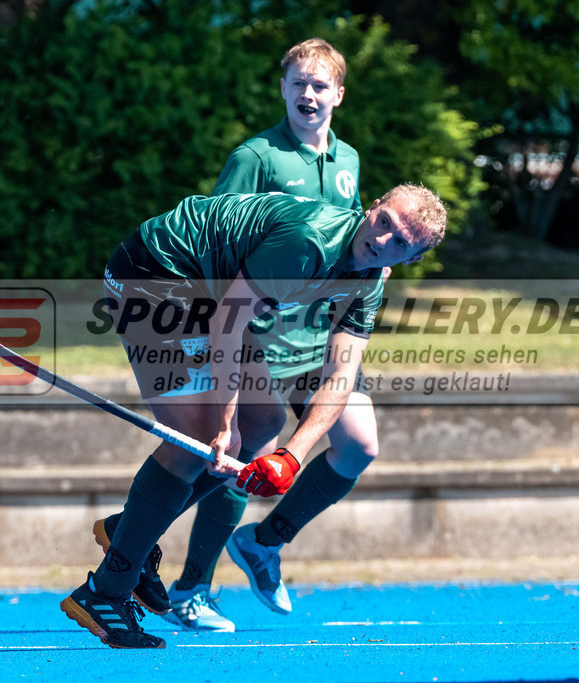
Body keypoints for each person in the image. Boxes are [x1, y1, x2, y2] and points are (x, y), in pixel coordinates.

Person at [61, 184, 448, 649]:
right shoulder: (308, 243)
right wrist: (223, 425)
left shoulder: (368, 282)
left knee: (265, 423)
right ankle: (106, 591)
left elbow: (340, 379)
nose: (384, 240)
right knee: (198, 442)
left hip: (210, 294)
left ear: (408, 260)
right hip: (154, 273)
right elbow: (227, 324)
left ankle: (128, 530)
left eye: (401, 242)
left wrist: (292, 456)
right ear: (375, 206)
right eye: (385, 222)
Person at [93, 37, 386, 633]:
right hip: (250, 322)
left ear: (339, 95)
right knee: (241, 437)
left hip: (310, 328)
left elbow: (353, 258)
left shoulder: (350, 162)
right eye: (298, 83)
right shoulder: (256, 156)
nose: (309, 94)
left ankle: (258, 541)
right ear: (282, 88)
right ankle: (191, 585)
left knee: (357, 442)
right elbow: (221, 261)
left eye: (320, 85)